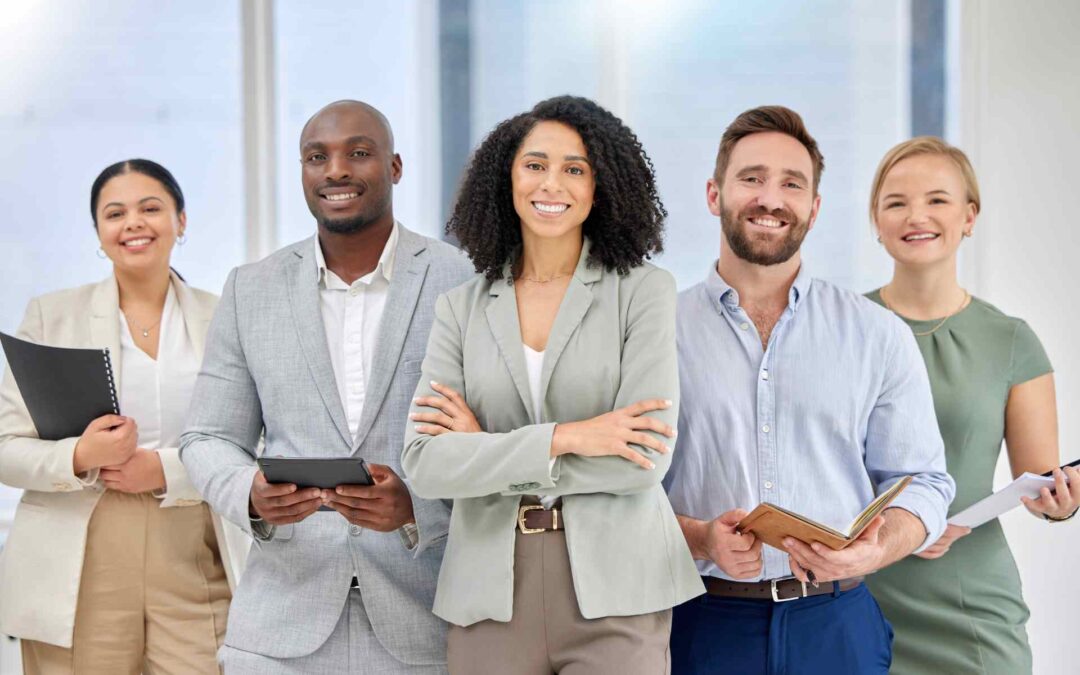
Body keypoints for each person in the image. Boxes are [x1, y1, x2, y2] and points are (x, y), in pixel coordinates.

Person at [400, 95, 703, 675]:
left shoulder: (643, 291)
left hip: (619, 590)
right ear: (507, 177)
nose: (552, 184)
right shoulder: (459, 309)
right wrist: (568, 436)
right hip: (489, 591)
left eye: (575, 168)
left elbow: (642, 460)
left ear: (600, 186)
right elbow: (427, 464)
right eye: (535, 165)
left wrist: (484, 448)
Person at [179, 100, 473, 673]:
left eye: (358, 153)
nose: (336, 170)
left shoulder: (462, 280)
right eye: (317, 157)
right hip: (279, 630)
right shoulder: (251, 289)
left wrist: (418, 507)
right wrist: (250, 494)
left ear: (395, 167)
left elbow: (498, 441)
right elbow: (208, 435)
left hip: (427, 626)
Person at [663, 106, 956, 674]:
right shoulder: (653, 334)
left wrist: (878, 546)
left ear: (814, 208)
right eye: (751, 178)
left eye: (791, 184)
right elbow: (618, 495)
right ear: (713, 193)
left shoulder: (877, 334)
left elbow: (923, 480)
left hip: (838, 628)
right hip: (700, 624)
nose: (771, 199)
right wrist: (700, 540)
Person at [0, 159, 248, 674]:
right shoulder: (52, 315)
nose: (133, 222)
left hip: (195, 549)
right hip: (82, 557)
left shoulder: (228, 316)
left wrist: (165, 469)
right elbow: (5, 445)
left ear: (181, 221)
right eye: (115, 213)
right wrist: (79, 455)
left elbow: (259, 442)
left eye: (150, 208)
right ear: (99, 232)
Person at [863, 136, 1079, 674]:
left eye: (937, 199)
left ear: (969, 216)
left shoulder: (1010, 340)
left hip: (970, 605)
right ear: (876, 220)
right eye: (896, 202)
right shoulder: (842, 328)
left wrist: (1063, 503)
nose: (917, 215)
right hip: (857, 594)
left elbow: (1039, 480)